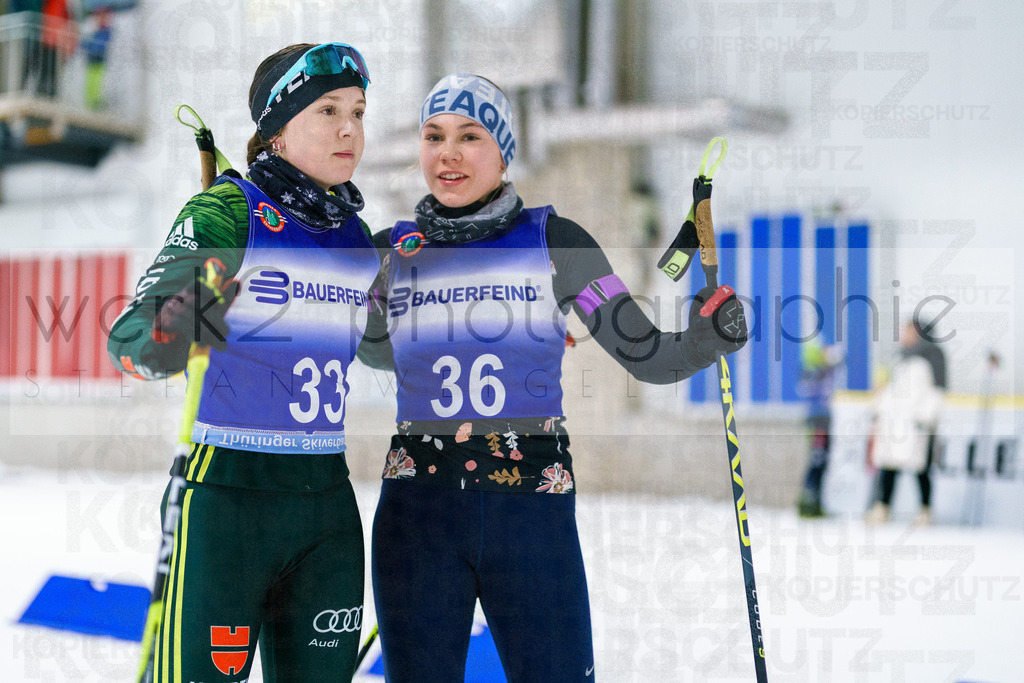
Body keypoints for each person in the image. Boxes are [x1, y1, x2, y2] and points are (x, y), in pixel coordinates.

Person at [358, 73, 748, 682]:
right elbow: (375, 353)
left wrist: (707, 337)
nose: (448, 153)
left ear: (505, 151)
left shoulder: (556, 243)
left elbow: (647, 354)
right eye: (433, 136)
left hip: (530, 518)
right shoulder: (388, 251)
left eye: (470, 136)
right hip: (420, 519)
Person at [107, 42, 377, 681]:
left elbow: (389, 349)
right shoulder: (228, 212)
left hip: (327, 511)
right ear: (278, 132)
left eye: (360, 111)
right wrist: (183, 317)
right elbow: (131, 342)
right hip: (226, 505)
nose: (350, 128)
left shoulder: (357, 240)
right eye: (329, 110)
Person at [865, 316, 947, 525]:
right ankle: (883, 506)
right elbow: (890, 389)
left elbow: (937, 391)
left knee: (921, 468)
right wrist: (879, 410)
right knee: (889, 465)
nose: (904, 335)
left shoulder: (933, 355)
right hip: (894, 422)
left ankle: (925, 510)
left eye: (909, 331)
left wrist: (925, 417)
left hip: (917, 424)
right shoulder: (899, 358)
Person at [796, 339, 842, 518]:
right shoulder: (812, 372)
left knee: (822, 462)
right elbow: (809, 391)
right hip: (818, 421)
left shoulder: (825, 371)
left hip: (825, 419)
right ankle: (808, 503)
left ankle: (815, 501)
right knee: (817, 460)